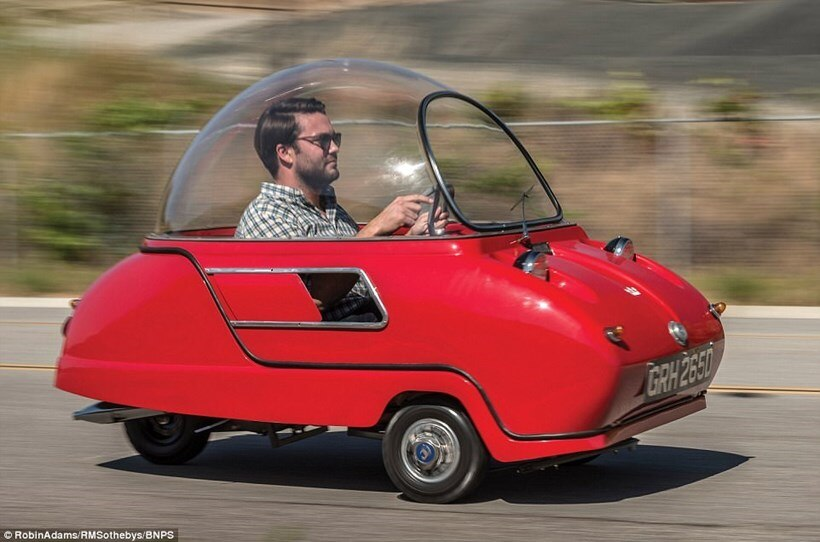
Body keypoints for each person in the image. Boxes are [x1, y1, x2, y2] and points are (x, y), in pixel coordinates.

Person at [236, 97, 447, 322]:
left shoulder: (330, 208)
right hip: (340, 337)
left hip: (377, 317)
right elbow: (311, 300)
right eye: (322, 140)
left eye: (334, 138)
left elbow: (364, 275)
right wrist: (375, 228)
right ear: (285, 152)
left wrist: (411, 239)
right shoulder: (268, 215)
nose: (335, 148)